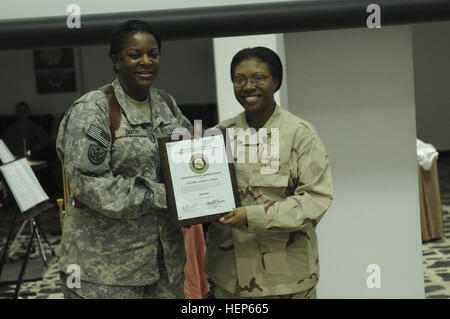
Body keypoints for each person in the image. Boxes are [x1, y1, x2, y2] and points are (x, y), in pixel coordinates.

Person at [56, 20, 191, 299]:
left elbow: (188, 159)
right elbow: (89, 186)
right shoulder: (93, 109)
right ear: (116, 61)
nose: (146, 61)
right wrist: (163, 195)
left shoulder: (166, 104)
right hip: (106, 271)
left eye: (153, 54)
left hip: (164, 263)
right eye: (135, 54)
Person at [204, 47, 334, 299]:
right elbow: (203, 193)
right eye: (239, 79)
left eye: (258, 78)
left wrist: (251, 216)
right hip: (229, 278)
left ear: (276, 81)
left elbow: (316, 200)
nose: (248, 86)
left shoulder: (300, 134)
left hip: (285, 280)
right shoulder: (218, 135)